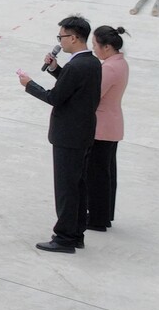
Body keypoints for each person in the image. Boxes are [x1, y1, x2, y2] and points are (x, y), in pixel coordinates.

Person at [17, 16, 103, 254]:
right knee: (78, 185)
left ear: (73, 37)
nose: (60, 42)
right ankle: (76, 233)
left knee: (66, 187)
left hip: (68, 135)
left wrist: (29, 84)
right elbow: (73, 88)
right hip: (83, 132)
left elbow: (55, 97)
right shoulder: (91, 63)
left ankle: (64, 237)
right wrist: (56, 70)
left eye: (61, 37)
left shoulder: (77, 66)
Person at [87, 25, 130, 234]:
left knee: (97, 174)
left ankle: (97, 217)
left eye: (95, 45)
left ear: (106, 47)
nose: (93, 49)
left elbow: (93, 94)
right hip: (112, 124)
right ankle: (104, 214)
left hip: (102, 127)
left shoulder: (109, 68)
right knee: (106, 172)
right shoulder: (120, 63)